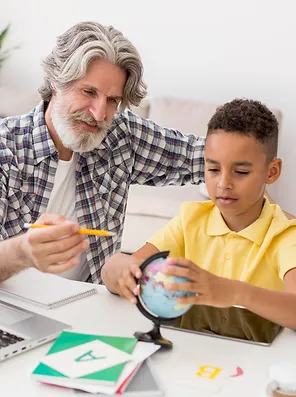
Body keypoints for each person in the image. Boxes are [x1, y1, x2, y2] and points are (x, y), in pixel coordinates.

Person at [0, 21, 205, 283]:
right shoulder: (6, 147)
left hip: (89, 310)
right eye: (88, 92)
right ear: (55, 82)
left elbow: (199, 156)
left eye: (112, 100)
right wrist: (22, 251)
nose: (99, 114)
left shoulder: (121, 136)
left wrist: (247, 173)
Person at [102, 98, 296, 330]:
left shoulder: (286, 234)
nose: (223, 183)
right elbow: (115, 270)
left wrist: (233, 292)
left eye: (241, 172)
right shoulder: (190, 219)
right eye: (213, 169)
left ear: (272, 172)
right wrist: (117, 269)